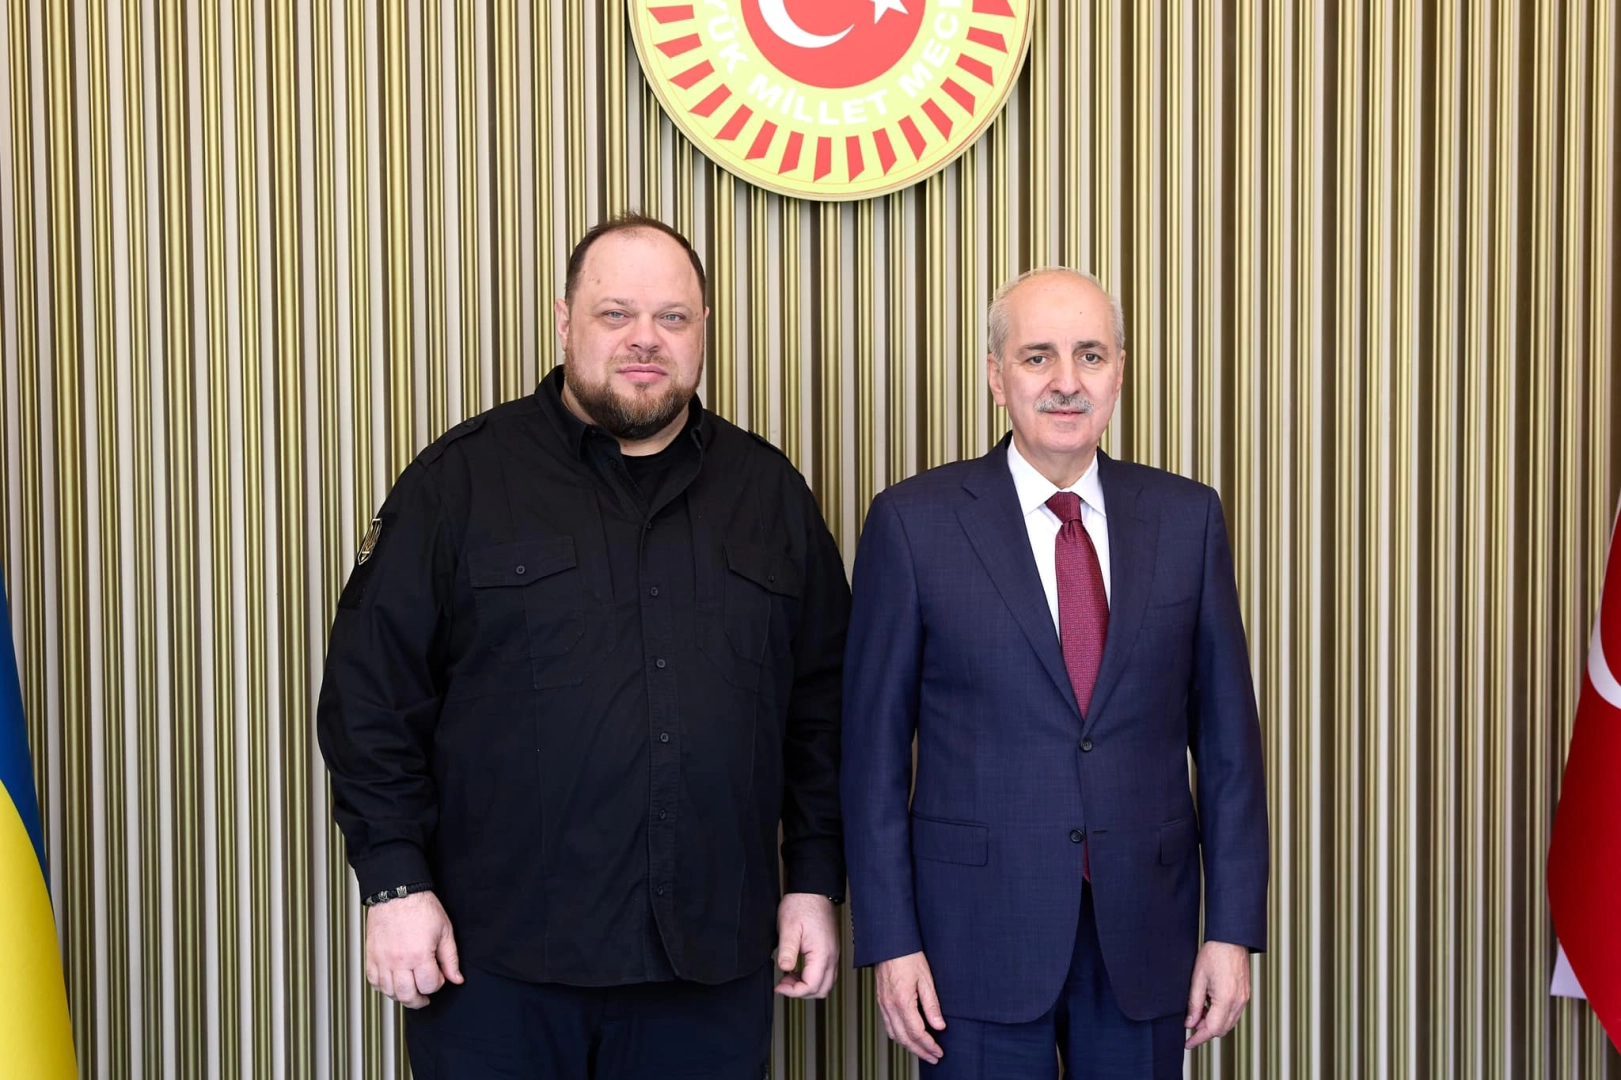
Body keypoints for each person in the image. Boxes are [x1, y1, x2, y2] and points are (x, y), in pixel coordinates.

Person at [317, 214, 850, 1079]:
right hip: (496, 967)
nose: (645, 338)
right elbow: (370, 696)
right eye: (615, 314)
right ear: (565, 322)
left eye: (672, 317)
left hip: (709, 964)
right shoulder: (460, 482)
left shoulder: (770, 493)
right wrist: (394, 882)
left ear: (703, 329)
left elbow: (822, 709)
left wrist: (813, 879)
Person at [841, 268, 1269, 1078]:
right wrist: (891, 941)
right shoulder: (913, 523)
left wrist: (1230, 930)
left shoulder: (1186, 519)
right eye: (1037, 357)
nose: (1066, 381)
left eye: (1090, 356)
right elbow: (871, 760)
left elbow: (1228, 750)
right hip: (971, 941)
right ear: (995, 375)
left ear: (1119, 372)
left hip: (1146, 933)